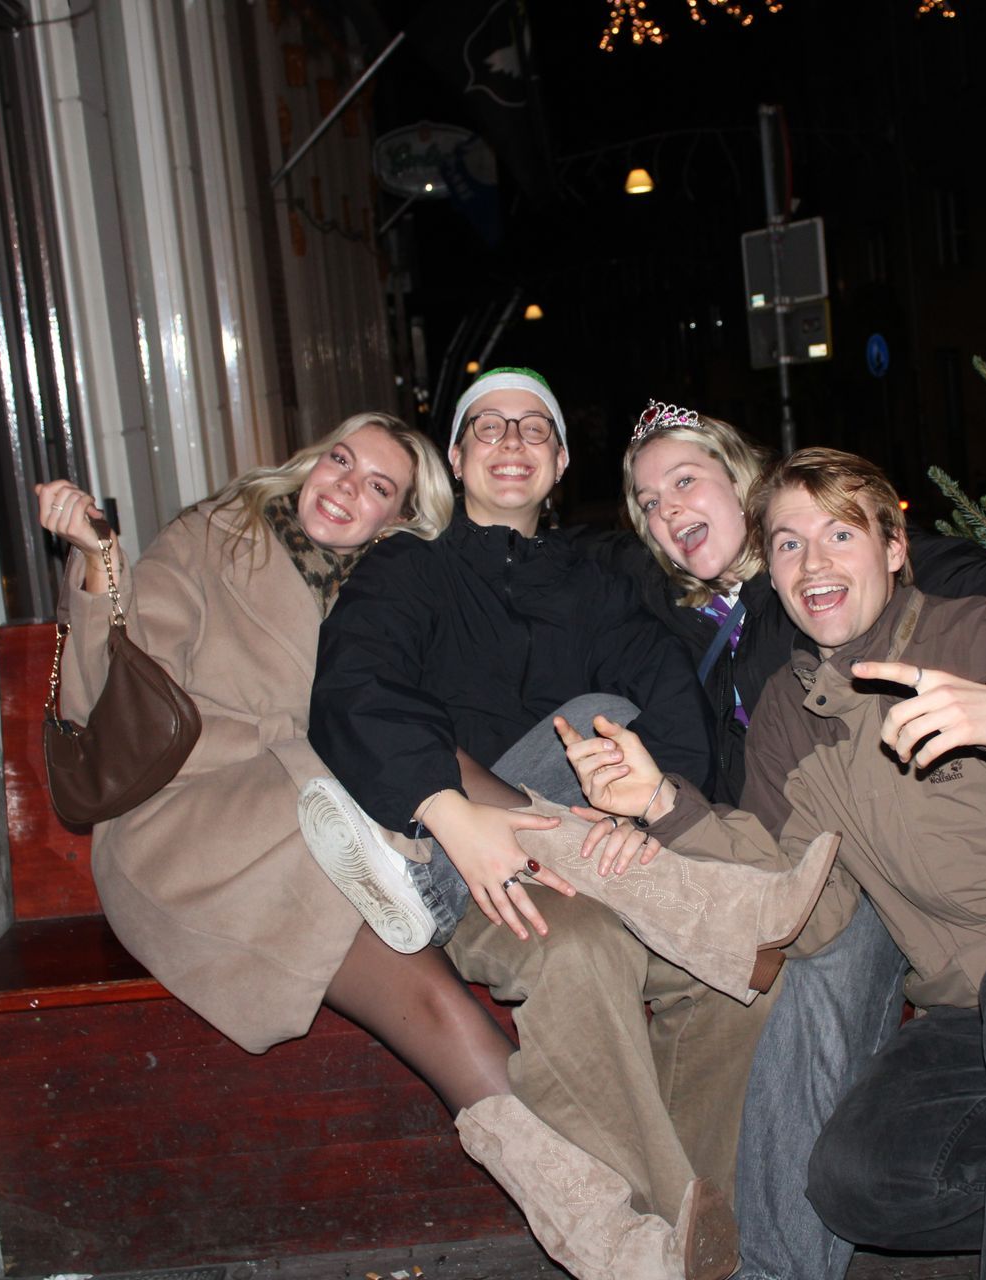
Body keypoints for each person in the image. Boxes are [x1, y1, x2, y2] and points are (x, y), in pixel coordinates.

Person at [36, 414, 722, 1280]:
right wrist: (99, 564)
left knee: (439, 1011)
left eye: (377, 486)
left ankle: (618, 1243)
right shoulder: (213, 539)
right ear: (308, 463)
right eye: (339, 461)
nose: (344, 488)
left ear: (397, 517)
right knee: (377, 749)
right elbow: (106, 700)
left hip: (325, 847)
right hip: (193, 832)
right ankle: (561, 882)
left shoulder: (388, 583)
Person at [559, 447, 986, 1280]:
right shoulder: (789, 717)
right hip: (985, 1014)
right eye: (788, 544)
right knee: (857, 1182)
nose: (813, 562)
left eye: (840, 535)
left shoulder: (982, 636)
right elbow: (801, 906)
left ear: (892, 549)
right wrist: (663, 804)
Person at [307, 370, 774, 1280]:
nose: (512, 441)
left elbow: (668, 698)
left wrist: (657, 815)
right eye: (488, 427)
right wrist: (450, 809)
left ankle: (693, 1223)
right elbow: (356, 687)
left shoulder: (600, 579)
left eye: (534, 429)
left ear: (559, 464)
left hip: (608, 849)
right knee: (579, 949)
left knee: (740, 978)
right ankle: (667, 1232)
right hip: (473, 860)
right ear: (456, 458)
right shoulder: (411, 569)